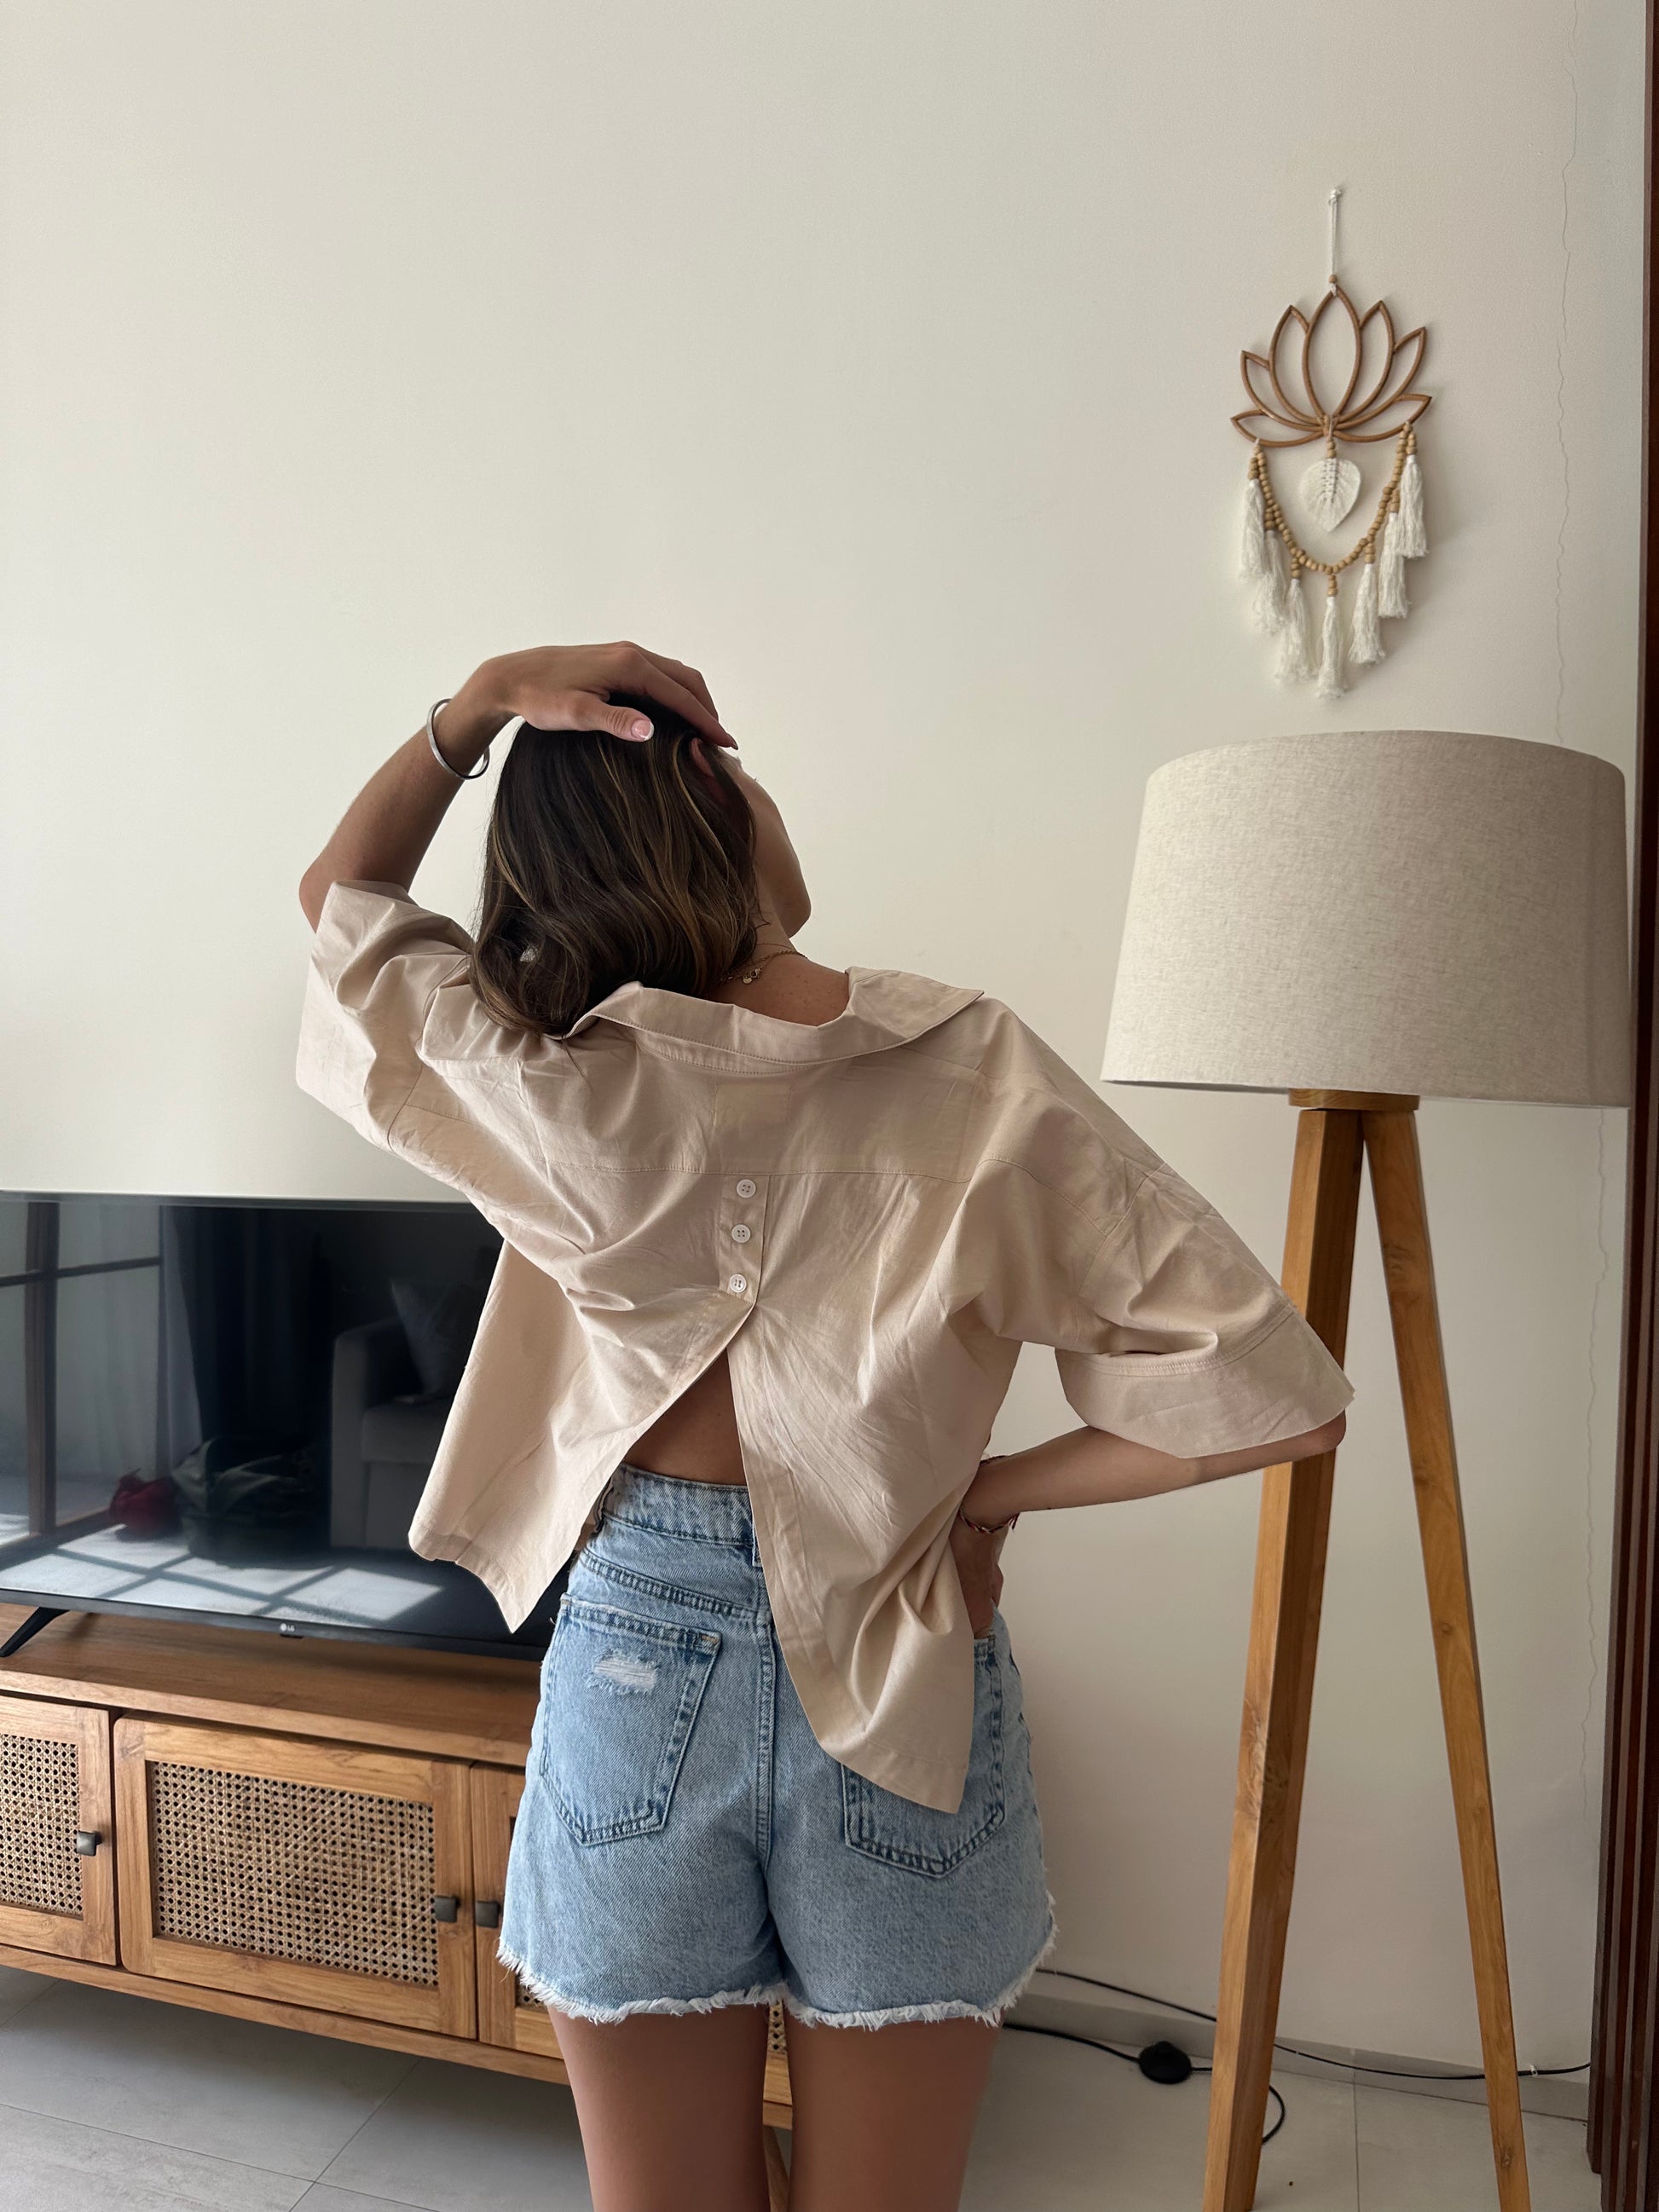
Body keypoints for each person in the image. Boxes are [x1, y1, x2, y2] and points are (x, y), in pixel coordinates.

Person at [296, 641, 1352, 2212]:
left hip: (638, 1651)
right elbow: (1269, 1385)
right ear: (724, 815)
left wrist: (480, 701)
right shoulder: (968, 1069)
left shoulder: (546, 1081)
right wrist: (986, 1500)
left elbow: (343, 910)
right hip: (901, 1643)